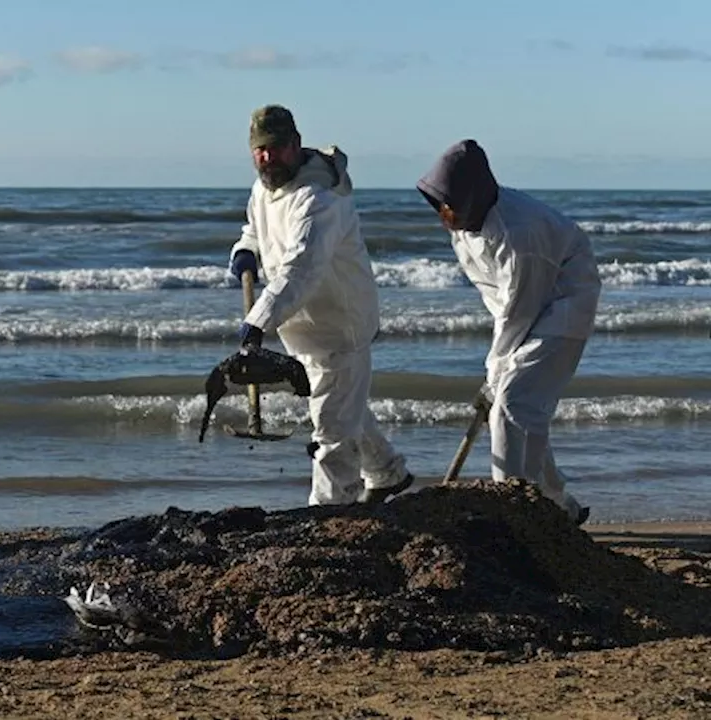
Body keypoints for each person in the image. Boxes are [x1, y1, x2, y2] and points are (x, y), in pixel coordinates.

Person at [229, 105, 414, 506]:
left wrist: (258, 319)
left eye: (275, 148)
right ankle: (386, 472)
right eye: (259, 150)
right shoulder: (264, 189)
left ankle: (332, 512)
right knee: (343, 404)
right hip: (303, 327)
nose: (267, 157)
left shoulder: (320, 198)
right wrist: (246, 249)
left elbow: (302, 268)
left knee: (331, 426)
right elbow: (254, 230)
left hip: (339, 324)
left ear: (295, 145)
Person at [416, 139, 599, 524]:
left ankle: (516, 515)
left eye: (449, 202)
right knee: (524, 407)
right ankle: (557, 506)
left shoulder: (520, 236)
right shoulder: (464, 219)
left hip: (565, 300)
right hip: (524, 303)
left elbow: (521, 310)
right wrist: (499, 369)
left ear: (472, 195)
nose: (443, 211)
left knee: (513, 405)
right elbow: (503, 300)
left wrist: (495, 372)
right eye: (439, 202)